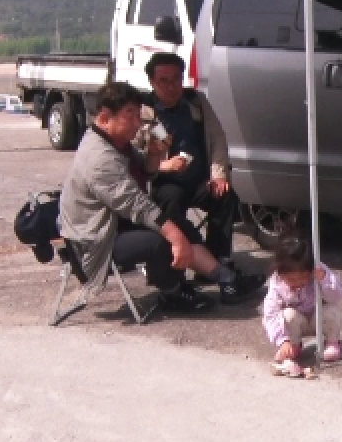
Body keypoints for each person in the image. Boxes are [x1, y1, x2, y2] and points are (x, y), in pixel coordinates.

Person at [58, 81, 258, 312]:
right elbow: (137, 205)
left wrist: (154, 153)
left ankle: (227, 280)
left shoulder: (114, 141)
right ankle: (172, 293)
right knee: (163, 239)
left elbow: (145, 169)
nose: (137, 123)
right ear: (105, 118)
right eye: (130, 115)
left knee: (175, 224)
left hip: (117, 221)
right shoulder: (99, 158)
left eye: (138, 115)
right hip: (96, 239)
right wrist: (176, 238)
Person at [138, 52, 246, 297]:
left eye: (176, 79)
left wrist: (219, 175)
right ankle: (193, 255)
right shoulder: (143, 112)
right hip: (164, 182)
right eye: (164, 81)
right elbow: (135, 157)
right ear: (152, 82)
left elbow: (218, 139)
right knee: (170, 200)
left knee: (225, 197)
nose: (171, 87)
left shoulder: (196, 102)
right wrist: (164, 165)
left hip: (197, 179)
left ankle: (218, 259)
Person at [261, 232, 342, 376]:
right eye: (291, 279)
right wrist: (282, 340)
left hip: (319, 318)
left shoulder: (319, 271)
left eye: (303, 277)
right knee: (287, 315)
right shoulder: (277, 284)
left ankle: (332, 343)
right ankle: (292, 346)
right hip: (297, 322)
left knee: (332, 310)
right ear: (280, 273)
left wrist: (324, 280)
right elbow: (271, 314)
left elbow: (337, 295)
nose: (298, 283)